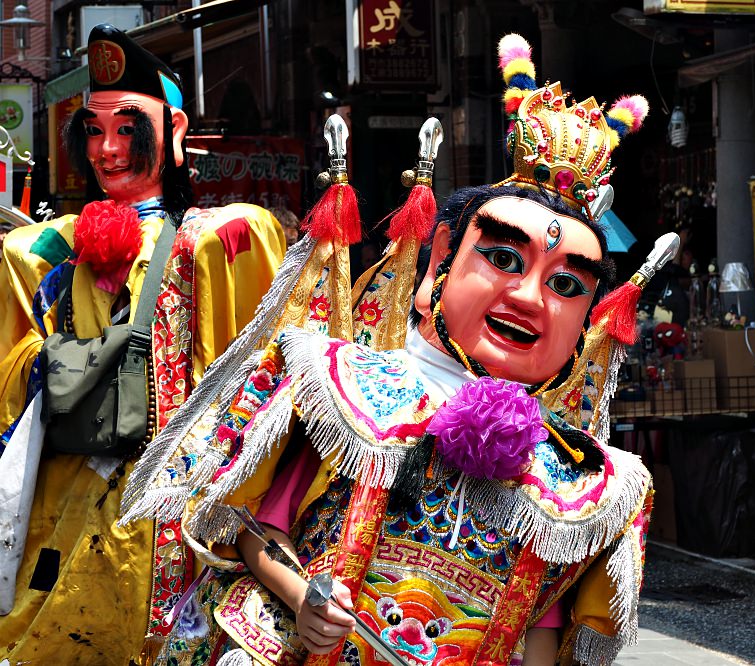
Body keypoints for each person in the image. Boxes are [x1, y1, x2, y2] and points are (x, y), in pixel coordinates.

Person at [123, 34, 659, 665]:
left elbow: (543, 628)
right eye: (503, 258)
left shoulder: (587, 480)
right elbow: (253, 525)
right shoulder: (336, 387)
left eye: (566, 285)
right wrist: (302, 599)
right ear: (438, 263)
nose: (530, 298)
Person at [0, 24, 285, 664]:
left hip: (175, 517)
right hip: (64, 498)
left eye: (128, 129)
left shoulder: (220, 240)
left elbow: (265, 378)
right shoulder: (39, 251)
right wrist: (50, 365)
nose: (107, 149)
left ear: (175, 130)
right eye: (93, 130)